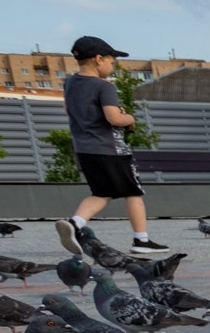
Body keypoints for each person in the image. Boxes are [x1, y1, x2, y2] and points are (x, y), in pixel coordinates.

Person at [59, 36, 165, 254]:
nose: (112, 66)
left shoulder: (69, 83)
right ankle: (141, 240)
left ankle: (75, 223)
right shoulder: (103, 86)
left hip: (84, 149)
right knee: (133, 193)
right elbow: (114, 118)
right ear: (99, 59)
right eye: (112, 62)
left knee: (101, 193)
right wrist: (130, 119)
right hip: (110, 148)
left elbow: (67, 111)